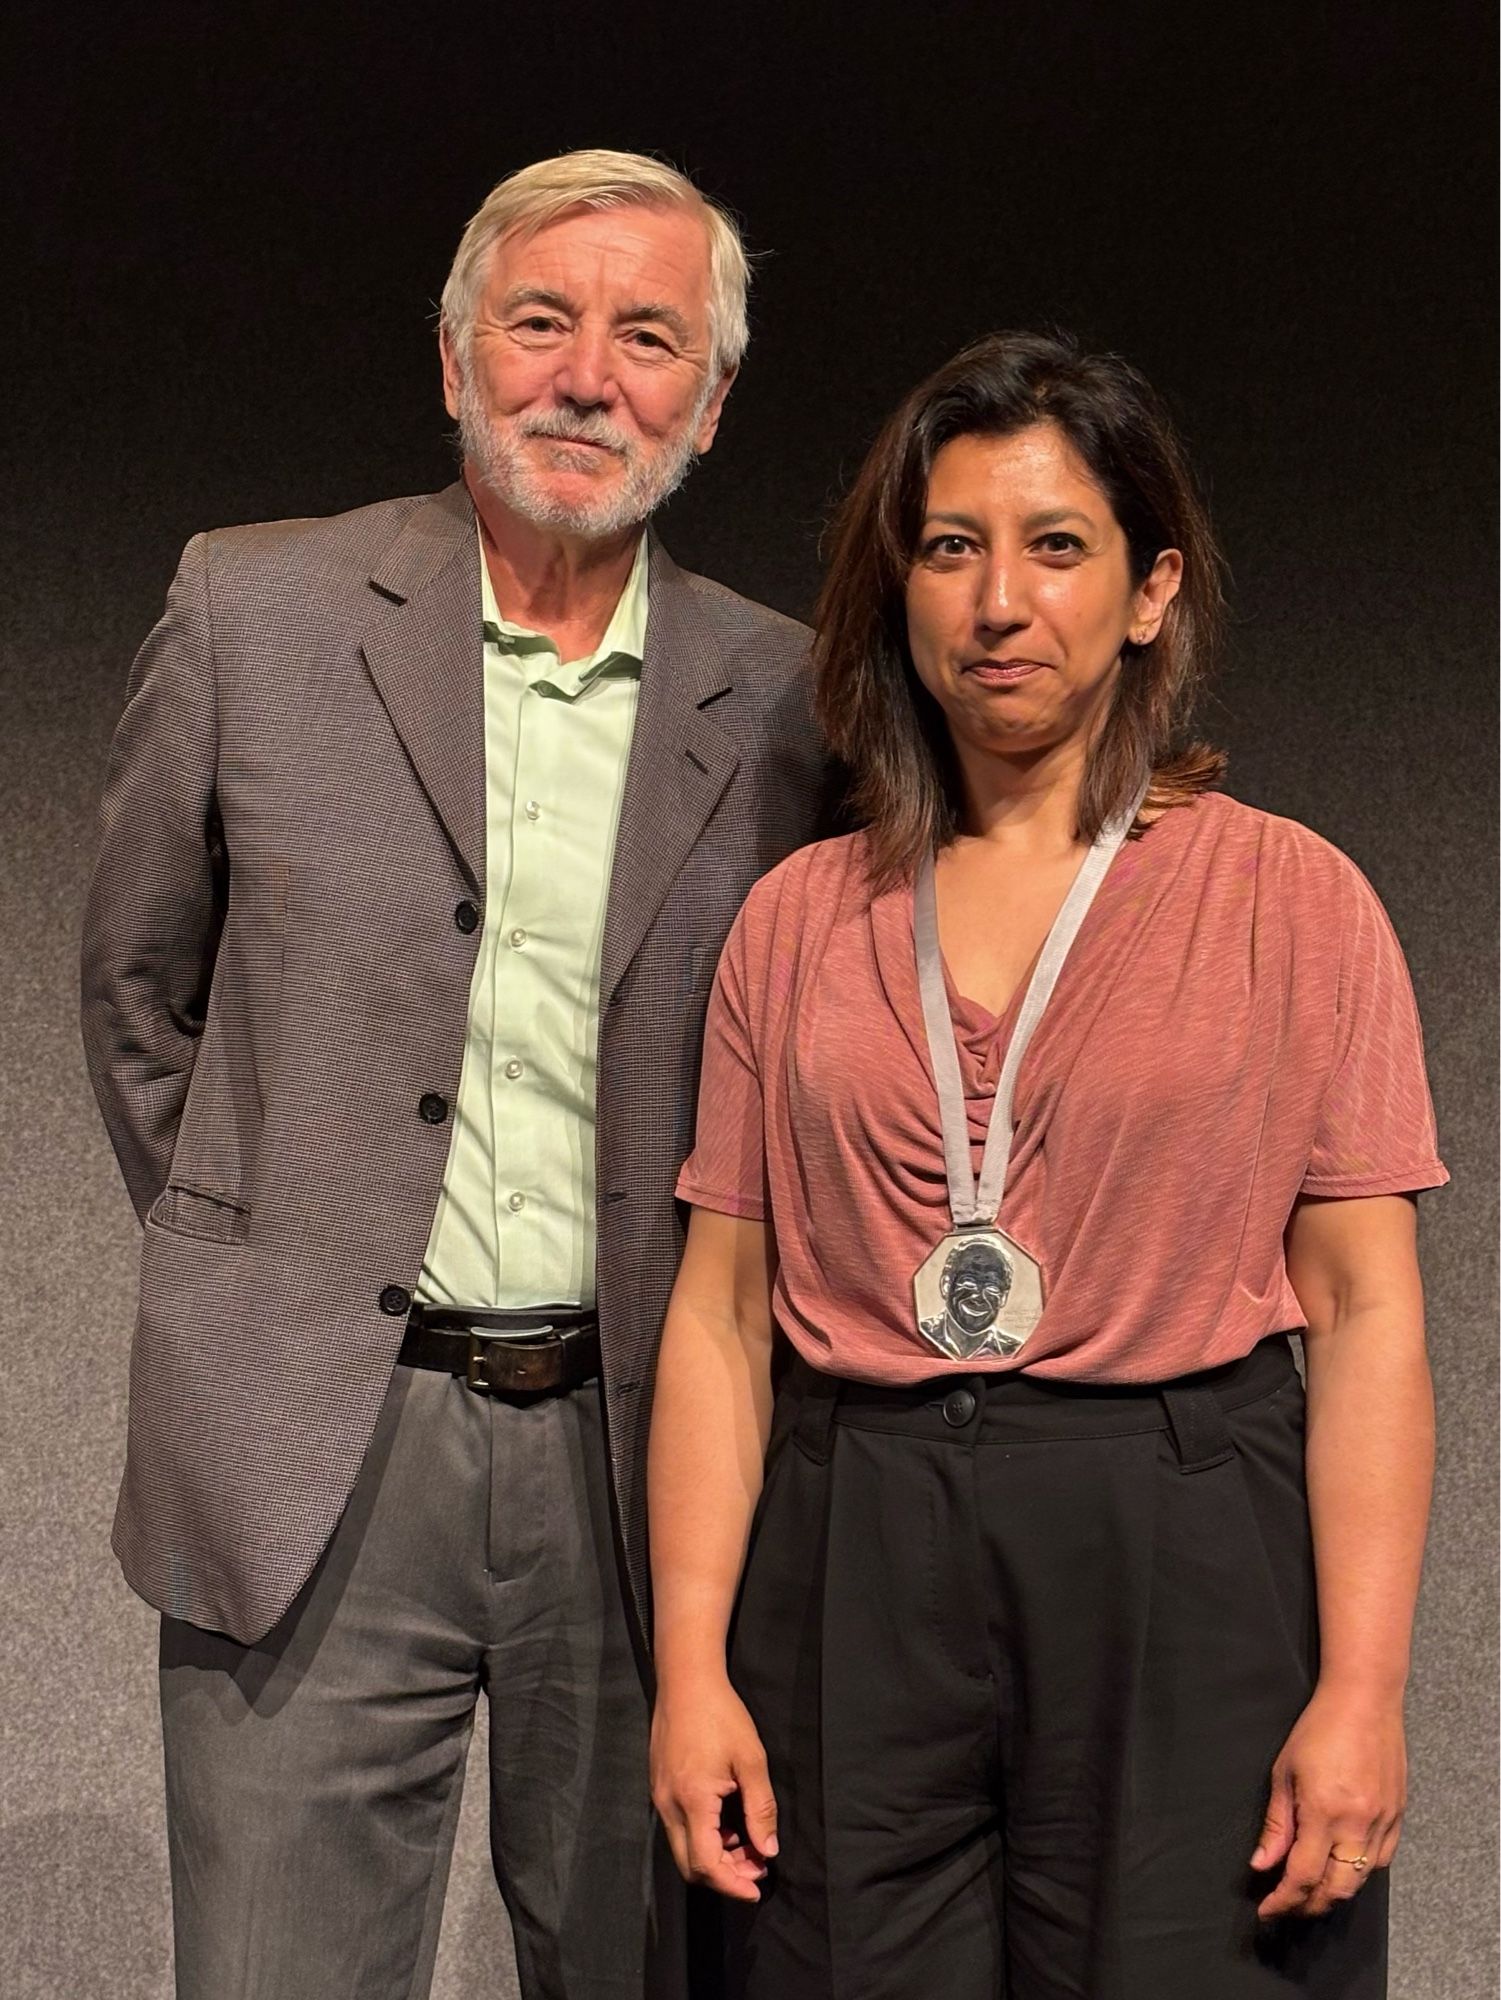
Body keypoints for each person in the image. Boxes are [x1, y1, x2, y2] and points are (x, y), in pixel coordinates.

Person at [80, 148, 831, 2000]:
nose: (588, 376)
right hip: (317, 1445)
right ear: (452, 358)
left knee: (652, 1969)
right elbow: (135, 983)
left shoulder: (795, 697)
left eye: (647, 337)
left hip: (643, 1446)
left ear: (710, 401)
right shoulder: (254, 610)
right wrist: (271, 1237)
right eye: (543, 322)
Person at [647, 330, 1445, 1998]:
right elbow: (720, 1319)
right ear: (902, 588)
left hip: (1174, 1535)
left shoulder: (1290, 902)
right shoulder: (796, 921)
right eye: (951, 548)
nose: (997, 600)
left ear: (1149, 591)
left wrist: (1361, 1693)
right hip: (850, 1531)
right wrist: (691, 1664)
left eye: (1054, 546)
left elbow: (1366, 1317)